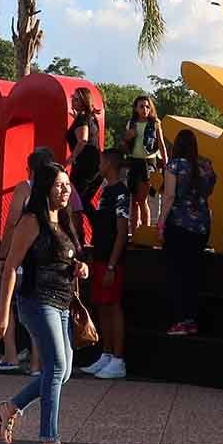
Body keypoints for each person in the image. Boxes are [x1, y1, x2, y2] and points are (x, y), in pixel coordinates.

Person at [0, 162, 89, 444]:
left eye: (68, 185)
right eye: (59, 185)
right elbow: (10, 267)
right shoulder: (31, 221)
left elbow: (63, 256)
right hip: (36, 301)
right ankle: (49, 441)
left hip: (61, 302)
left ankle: (10, 407)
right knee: (57, 366)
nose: (65, 190)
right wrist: (3, 312)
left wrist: (78, 268)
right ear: (46, 187)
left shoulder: (63, 220)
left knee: (64, 370)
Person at [0, 146, 55, 374]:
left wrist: (3, 253)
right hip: (45, 262)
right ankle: (37, 365)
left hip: (21, 257)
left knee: (4, 302)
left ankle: (10, 356)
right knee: (39, 312)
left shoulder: (24, 188)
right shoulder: (57, 190)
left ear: (31, 169)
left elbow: (11, 222)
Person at [158, 128, 217, 336]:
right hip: (201, 226)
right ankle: (191, 320)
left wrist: (161, 223)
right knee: (193, 274)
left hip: (178, 224)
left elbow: (169, 196)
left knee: (177, 274)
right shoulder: (206, 167)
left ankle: (180, 319)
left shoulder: (174, 166)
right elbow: (208, 191)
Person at [81, 148, 130, 379]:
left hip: (112, 261)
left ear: (109, 163)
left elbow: (121, 231)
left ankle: (119, 360)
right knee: (101, 305)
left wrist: (112, 265)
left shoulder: (121, 192)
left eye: (101, 161)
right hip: (99, 256)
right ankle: (106, 354)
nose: (98, 164)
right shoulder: (104, 190)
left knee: (113, 306)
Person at [122, 95, 166, 235]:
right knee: (133, 201)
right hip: (134, 161)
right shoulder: (131, 123)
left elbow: (161, 144)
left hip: (149, 163)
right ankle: (135, 233)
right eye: (141, 106)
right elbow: (125, 143)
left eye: (147, 106)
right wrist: (128, 137)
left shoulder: (155, 123)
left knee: (142, 199)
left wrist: (166, 163)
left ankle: (145, 233)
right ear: (136, 108)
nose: (145, 109)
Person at [66, 86, 103, 210]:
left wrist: (71, 157)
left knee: (76, 201)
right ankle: (96, 225)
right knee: (82, 201)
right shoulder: (90, 117)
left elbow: (83, 140)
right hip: (95, 165)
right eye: (72, 98)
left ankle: (81, 228)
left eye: (76, 99)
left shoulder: (83, 118)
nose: (72, 101)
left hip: (85, 166)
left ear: (83, 101)